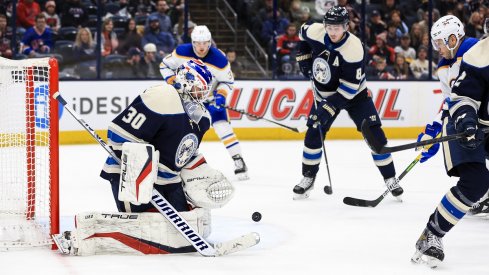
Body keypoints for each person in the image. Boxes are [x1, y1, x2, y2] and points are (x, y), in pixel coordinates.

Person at [53, 59, 228, 255]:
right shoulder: (163, 96)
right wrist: (141, 174)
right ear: (186, 81)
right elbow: (119, 133)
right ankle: (84, 233)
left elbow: (185, 154)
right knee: (149, 229)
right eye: (200, 87)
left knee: (185, 230)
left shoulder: (202, 118)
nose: (204, 93)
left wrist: (201, 172)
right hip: (130, 177)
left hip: (169, 182)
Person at [293, 6, 402, 200]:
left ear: (346, 27)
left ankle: (390, 178)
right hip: (323, 94)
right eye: (330, 27)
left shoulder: (353, 48)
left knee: (375, 135)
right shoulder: (316, 31)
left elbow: (349, 89)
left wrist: (329, 107)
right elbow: (302, 34)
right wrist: (302, 55)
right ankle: (307, 177)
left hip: (355, 96)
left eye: (337, 27)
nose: (333, 32)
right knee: (313, 133)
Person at [410, 15, 485, 268]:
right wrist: (433, 130)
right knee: (475, 181)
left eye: (440, 43)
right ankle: (432, 233)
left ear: (453, 38)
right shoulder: (448, 65)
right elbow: (452, 101)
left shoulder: (474, 49)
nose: (438, 49)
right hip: (463, 123)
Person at [160, 25, 249, 180]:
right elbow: (164, 65)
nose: (202, 47)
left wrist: (221, 95)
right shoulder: (181, 52)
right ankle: (178, 163)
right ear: (193, 42)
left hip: (211, 100)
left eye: (205, 43)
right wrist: (172, 80)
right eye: (198, 43)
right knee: (183, 131)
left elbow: (227, 82)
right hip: (188, 100)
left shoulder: (219, 59)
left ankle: (238, 160)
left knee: (223, 127)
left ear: (210, 42)